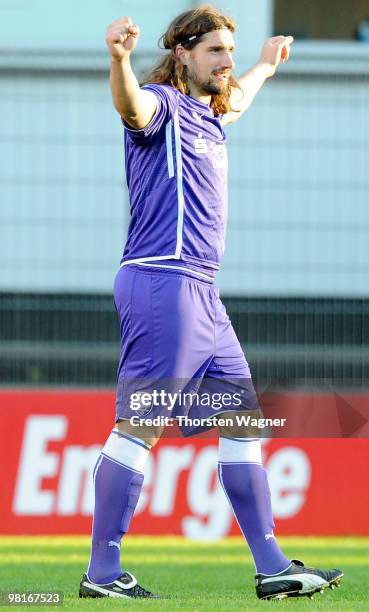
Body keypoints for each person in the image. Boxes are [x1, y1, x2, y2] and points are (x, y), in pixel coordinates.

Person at [79, 5, 343, 601]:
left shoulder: (210, 114)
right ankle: (102, 571)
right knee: (140, 427)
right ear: (183, 55)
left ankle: (273, 566)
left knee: (243, 420)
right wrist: (118, 59)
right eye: (215, 51)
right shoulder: (162, 104)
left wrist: (265, 67)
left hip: (202, 293)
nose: (227, 62)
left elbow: (240, 96)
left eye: (230, 50)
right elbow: (130, 106)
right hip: (162, 283)